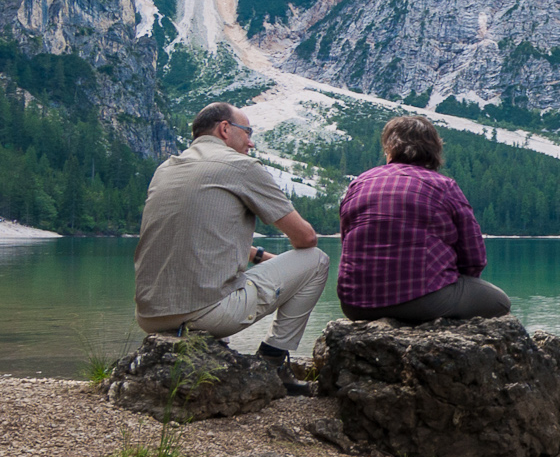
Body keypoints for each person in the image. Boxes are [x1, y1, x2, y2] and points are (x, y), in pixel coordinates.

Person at [135, 102, 329, 389]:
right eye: (247, 132)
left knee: (217, 282)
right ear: (225, 129)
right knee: (316, 259)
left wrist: (259, 255)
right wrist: (289, 269)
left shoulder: (166, 168)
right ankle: (273, 364)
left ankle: (215, 351)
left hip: (148, 315)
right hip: (205, 314)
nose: (251, 142)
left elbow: (193, 236)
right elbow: (305, 239)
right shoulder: (241, 166)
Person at [336, 114, 510, 323]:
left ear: (390, 149)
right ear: (434, 150)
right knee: (500, 302)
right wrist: (454, 280)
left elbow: (347, 242)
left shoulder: (359, 183)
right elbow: (474, 257)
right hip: (424, 301)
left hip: (355, 306)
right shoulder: (443, 186)